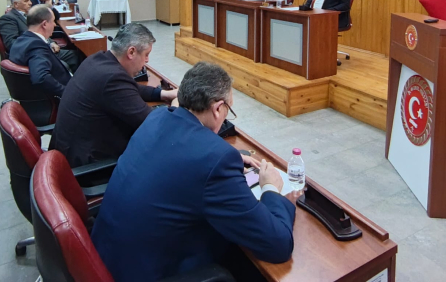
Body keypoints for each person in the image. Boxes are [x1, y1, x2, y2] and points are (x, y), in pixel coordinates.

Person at [92, 62, 297, 282]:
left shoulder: (156, 118)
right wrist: (270, 188)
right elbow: (278, 246)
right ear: (218, 109)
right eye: (228, 111)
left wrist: (224, 154)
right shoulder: (216, 162)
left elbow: (181, 153)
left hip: (105, 258)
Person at [52, 23, 177, 168]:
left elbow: (130, 87)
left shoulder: (98, 59)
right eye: (146, 54)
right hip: (90, 165)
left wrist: (164, 94)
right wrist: (175, 107)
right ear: (131, 52)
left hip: (71, 149)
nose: (147, 60)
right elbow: (155, 125)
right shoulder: (112, 78)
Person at [8, 5, 72, 98]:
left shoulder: (22, 39)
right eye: (53, 21)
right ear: (44, 24)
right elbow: (40, 78)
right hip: (60, 97)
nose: (55, 25)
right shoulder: (36, 46)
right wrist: (67, 93)